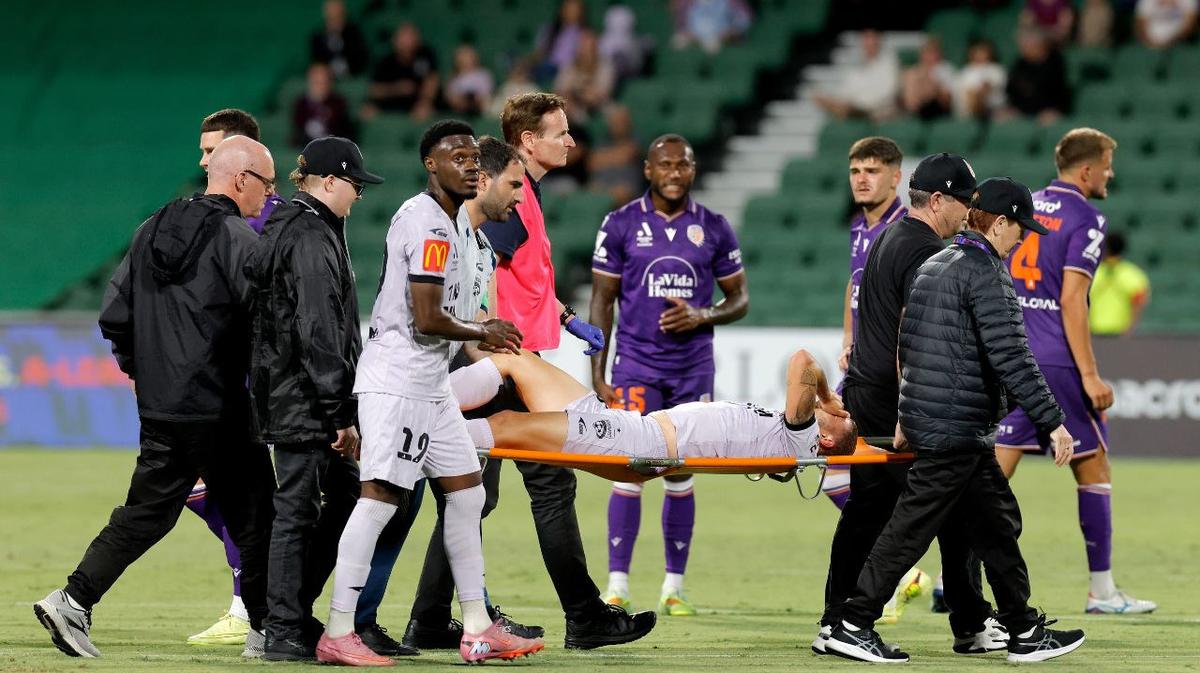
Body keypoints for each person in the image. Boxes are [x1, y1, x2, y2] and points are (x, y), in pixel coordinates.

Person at [402, 93, 656, 653]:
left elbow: (526, 278)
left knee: (475, 494)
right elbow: (484, 273)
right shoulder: (507, 201)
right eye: (560, 132)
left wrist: (565, 318)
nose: (571, 141)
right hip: (503, 367)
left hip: (511, 363)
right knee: (547, 486)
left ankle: (430, 617)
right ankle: (583, 617)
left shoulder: (525, 195)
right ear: (527, 142)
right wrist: (491, 354)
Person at [825, 177, 1086, 664]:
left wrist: (907, 413)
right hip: (957, 427)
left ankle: (1021, 627)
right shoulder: (986, 273)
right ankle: (854, 622)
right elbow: (1011, 355)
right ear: (1000, 223)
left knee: (996, 524)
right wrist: (1052, 420)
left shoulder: (937, 263)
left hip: (943, 422)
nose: (1022, 240)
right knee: (910, 529)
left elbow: (908, 346)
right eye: (1020, 229)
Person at [34, 136, 277, 659]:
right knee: (259, 514)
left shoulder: (150, 229)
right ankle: (267, 630)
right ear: (241, 179)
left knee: (148, 511)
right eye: (265, 182)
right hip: (219, 405)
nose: (268, 194)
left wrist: (142, 371)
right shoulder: (237, 238)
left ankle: (72, 600)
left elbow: (114, 314)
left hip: (162, 405)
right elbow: (266, 322)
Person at [316, 120, 541, 666]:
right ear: (431, 165)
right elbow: (426, 317)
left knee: (467, 494)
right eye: (456, 157)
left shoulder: (459, 225)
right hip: (399, 382)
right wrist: (481, 331)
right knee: (380, 500)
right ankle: (339, 631)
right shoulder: (426, 223)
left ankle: (478, 627)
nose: (469, 166)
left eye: (474, 158)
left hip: (431, 384)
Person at [816, 154, 999, 654]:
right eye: (964, 202)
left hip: (867, 390)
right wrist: (909, 407)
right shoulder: (926, 251)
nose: (968, 213)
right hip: (896, 398)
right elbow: (909, 334)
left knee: (868, 510)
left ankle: (835, 620)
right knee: (947, 505)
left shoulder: (888, 237)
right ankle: (962, 623)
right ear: (938, 200)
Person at [996, 128, 1156, 614]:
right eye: (1106, 165)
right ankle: (1102, 592)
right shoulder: (1087, 218)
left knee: (992, 471)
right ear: (1086, 170)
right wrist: (1088, 374)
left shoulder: (1026, 205)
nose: (1111, 174)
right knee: (1094, 467)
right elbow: (1071, 299)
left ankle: (949, 578)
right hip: (1056, 360)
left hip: (1011, 352)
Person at [589, 133, 748, 616]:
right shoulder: (620, 223)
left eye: (683, 165)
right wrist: (598, 372)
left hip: (692, 367)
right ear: (648, 170)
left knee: (681, 472)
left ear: (693, 170)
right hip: (636, 364)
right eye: (665, 165)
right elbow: (602, 301)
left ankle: (673, 588)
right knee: (632, 468)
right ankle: (617, 587)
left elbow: (739, 298)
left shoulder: (714, 227)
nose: (674, 173)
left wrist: (702, 314)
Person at [244, 136, 382, 662]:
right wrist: (341, 410)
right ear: (328, 182)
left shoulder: (299, 226)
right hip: (303, 396)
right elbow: (319, 328)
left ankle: (290, 614)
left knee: (339, 497)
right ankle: (283, 626)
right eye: (354, 184)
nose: (358, 196)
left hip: (294, 391)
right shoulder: (308, 234)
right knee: (298, 509)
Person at [454, 348, 856, 470]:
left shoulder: (800, 439)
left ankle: (434, 433)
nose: (842, 410)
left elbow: (803, 361)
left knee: (506, 424)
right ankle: (432, 400)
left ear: (825, 439)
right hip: (630, 427)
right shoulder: (792, 433)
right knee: (517, 359)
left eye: (844, 418)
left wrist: (824, 395)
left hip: (641, 445)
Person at [828, 137, 907, 511]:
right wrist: (848, 337)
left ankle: (894, 544)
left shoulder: (905, 231)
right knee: (837, 468)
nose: (861, 179)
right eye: (855, 171)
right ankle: (889, 545)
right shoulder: (859, 227)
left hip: (889, 374)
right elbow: (854, 282)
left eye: (872, 170)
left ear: (896, 177)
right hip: (862, 369)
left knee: (893, 475)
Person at [198, 109, 286, 234]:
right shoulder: (202, 210)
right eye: (203, 152)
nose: (202, 162)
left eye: (213, 151)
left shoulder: (275, 222)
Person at [814, 30, 899, 122]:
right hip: (855, 108)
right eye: (866, 38)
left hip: (876, 110)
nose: (869, 43)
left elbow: (887, 93)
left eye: (872, 38)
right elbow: (846, 92)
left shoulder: (889, 63)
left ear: (879, 40)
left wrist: (857, 104)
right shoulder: (855, 68)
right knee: (820, 97)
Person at [365, 23, 438, 121]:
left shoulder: (425, 55)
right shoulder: (385, 61)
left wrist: (425, 102)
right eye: (404, 37)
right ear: (395, 41)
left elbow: (432, 81)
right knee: (367, 112)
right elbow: (374, 90)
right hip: (391, 103)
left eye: (412, 36)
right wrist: (397, 88)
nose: (408, 42)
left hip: (417, 103)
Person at [1089, 232, 1151, 336]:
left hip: (1096, 332)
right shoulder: (1133, 273)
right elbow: (1139, 303)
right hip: (1118, 334)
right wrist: (1130, 330)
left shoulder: (1091, 272)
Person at [1005, 30, 1070, 125]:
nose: (1023, 50)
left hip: (1050, 110)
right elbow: (1011, 89)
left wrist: (1054, 110)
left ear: (1040, 45)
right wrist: (1013, 108)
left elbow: (1059, 93)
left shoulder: (1056, 62)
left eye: (1027, 46)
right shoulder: (1020, 63)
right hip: (1022, 110)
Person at [554, 30, 616, 124]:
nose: (586, 52)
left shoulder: (606, 66)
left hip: (600, 107)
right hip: (574, 106)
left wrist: (576, 91)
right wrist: (579, 92)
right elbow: (559, 91)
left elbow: (600, 95)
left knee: (617, 113)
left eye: (590, 47)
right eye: (583, 47)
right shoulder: (570, 66)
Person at [587, 103, 643, 206]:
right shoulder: (602, 140)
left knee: (621, 193)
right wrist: (617, 155)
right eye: (615, 122)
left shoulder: (636, 138)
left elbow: (627, 155)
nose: (619, 125)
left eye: (621, 121)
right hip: (602, 187)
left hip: (626, 189)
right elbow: (592, 163)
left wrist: (603, 158)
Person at [291, 62, 356, 148]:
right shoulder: (301, 104)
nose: (321, 86)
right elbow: (297, 133)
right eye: (317, 81)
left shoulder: (338, 103)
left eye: (325, 81)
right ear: (310, 81)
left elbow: (346, 134)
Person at [309, 0, 369, 78]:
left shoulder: (354, 34)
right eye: (332, 15)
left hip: (352, 76)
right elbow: (317, 61)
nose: (335, 17)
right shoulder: (318, 37)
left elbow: (360, 58)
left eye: (338, 14)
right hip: (327, 77)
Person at [534, 0, 589, 83]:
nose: (570, 12)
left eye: (574, 9)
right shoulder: (549, 29)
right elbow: (539, 53)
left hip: (568, 70)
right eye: (568, 8)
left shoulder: (584, 34)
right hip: (546, 66)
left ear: (581, 12)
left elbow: (584, 60)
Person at [670, 0, 754, 54]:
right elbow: (681, 22)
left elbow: (746, 18)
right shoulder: (685, 3)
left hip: (724, 35)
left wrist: (724, 36)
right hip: (695, 36)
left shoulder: (733, 2)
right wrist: (688, 35)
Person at [900, 37, 955, 120]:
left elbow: (946, 100)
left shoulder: (946, 69)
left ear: (939, 54)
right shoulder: (913, 72)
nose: (929, 56)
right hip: (914, 111)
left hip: (939, 111)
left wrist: (931, 88)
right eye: (926, 52)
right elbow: (910, 102)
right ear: (921, 55)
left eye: (933, 52)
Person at [953, 38, 1008, 120]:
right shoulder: (964, 72)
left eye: (982, 51)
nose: (979, 54)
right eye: (977, 51)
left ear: (989, 52)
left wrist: (979, 96)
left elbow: (991, 87)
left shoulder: (997, 69)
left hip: (993, 110)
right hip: (966, 112)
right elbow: (960, 94)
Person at [445, 44, 495, 116]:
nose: (466, 59)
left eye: (469, 56)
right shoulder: (454, 78)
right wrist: (462, 101)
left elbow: (487, 95)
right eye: (463, 56)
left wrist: (475, 100)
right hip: (459, 110)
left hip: (480, 108)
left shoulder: (484, 75)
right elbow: (451, 97)